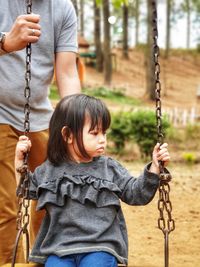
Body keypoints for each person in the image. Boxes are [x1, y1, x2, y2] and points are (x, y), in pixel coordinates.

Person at [15, 94, 170, 267]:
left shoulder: (109, 168)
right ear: (67, 135)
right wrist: (20, 163)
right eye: (95, 133)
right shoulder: (49, 170)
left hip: (100, 247)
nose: (102, 139)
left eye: (104, 132)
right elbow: (25, 190)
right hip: (59, 249)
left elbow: (136, 194)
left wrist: (155, 168)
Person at [0, 0, 81, 264]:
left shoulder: (63, 8)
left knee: (49, 203)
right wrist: (6, 43)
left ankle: (41, 261)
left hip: (42, 118)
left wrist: (76, 123)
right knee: (5, 208)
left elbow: (67, 72)